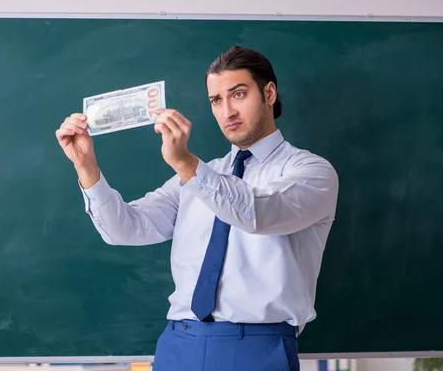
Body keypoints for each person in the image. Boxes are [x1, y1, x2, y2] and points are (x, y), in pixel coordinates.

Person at [56, 46, 339, 371]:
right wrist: (86, 167)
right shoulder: (198, 176)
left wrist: (186, 164)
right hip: (179, 342)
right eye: (216, 101)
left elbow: (258, 213)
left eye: (239, 94)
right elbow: (126, 229)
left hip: (259, 347)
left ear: (269, 93)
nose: (227, 111)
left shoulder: (311, 171)